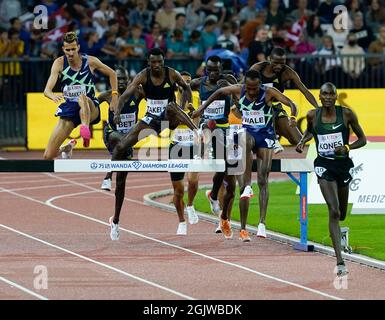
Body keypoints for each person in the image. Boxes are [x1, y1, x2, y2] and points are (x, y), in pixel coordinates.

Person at [197, 69, 298, 240]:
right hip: (248, 133)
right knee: (245, 140)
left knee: (263, 179)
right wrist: (202, 108)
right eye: (249, 88)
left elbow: (290, 103)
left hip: (266, 136)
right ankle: (245, 186)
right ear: (245, 85)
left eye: (254, 89)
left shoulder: (269, 92)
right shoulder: (239, 89)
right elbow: (220, 91)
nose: (251, 92)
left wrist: (293, 116)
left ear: (260, 85)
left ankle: (262, 224)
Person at [109, 48, 197, 240]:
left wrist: (185, 106)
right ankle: (108, 177)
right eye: (153, 63)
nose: (156, 65)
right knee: (123, 145)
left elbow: (187, 87)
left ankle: (195, 130)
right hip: (150, 118)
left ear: (163, 61)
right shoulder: (143, 75)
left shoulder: (171, 73)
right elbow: (126, 94)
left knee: (172, 107)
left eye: (159, 62)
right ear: (149, 63)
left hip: (169, 118)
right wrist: (117, 112)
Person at [296, 82, 366, 276]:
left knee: (342, 214)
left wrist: (348, 148)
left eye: (331, 94)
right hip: (323, 165)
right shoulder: (313, 115)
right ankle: (340, 261)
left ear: (335, 96)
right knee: (333, 211)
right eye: (324, 94)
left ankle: (340, 231)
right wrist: (303, 141)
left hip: (342, 166)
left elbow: (363, 139)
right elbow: (311, 130)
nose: (327, 97)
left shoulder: (347, 114)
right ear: (319, 96)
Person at [43, 31, 118, 159]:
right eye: (67, 50)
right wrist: (52, 95)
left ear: (78, 47)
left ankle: (85, 129)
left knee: (82, 97)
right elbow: (47, 90)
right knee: (48, 156)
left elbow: (112, 74)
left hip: (90, 107)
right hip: (70, 109)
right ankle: (67, 147)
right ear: (63, 49)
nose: (71, 53)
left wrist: (115, 96)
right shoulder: (59, 63)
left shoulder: (90, 61)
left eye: (73, 49)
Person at [190, 55, 237, 235]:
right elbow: (184, 87)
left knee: (223, 168)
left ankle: (213, 195)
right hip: (207, 126)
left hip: (225, 127)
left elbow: (240, 90)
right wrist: (186, 102)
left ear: (221, 70)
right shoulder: (198, 83)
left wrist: (235, 101)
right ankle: (206, 148)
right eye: (210, 70)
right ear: (206, 69)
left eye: (216, 70)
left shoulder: (226, 82)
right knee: (209, 128)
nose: (213, 73)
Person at [249, 47, 318, 153]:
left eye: (282, 63)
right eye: (276, 63)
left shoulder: (288, 72)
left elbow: (305, 91)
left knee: (297, 140)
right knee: (267, 106)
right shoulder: (257, 68)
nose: (279, 66)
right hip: (256, 108)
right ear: (269, 59)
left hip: (276, 107)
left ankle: (276, 131)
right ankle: (272, 138)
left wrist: (318, 108)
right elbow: (242, 86)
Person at [99, 67, 144, 191]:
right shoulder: (107, 95)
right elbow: (94, 106)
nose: (121, 82)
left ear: (129, 80)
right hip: (111, 134)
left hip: (129, 138)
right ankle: (108, 177)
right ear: (113, 80)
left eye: (124, 79)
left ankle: (117, 208)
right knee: (119, 139)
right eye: (118, 79)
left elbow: (153, 98)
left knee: (121, 180)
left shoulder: (137, 93)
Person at [170, 71, 200, 235]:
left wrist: (194, 112)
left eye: (188, 82)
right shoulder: (171, 99)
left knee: (193, 180)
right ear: (177, 84)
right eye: (182, 82)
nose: (185, 85)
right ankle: (181, 221)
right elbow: (169, 125)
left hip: (193, 143)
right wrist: (181, 112)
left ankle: (190, 205)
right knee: (178, 190)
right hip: (175, 144)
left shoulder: (196, 98)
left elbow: (197, 122)